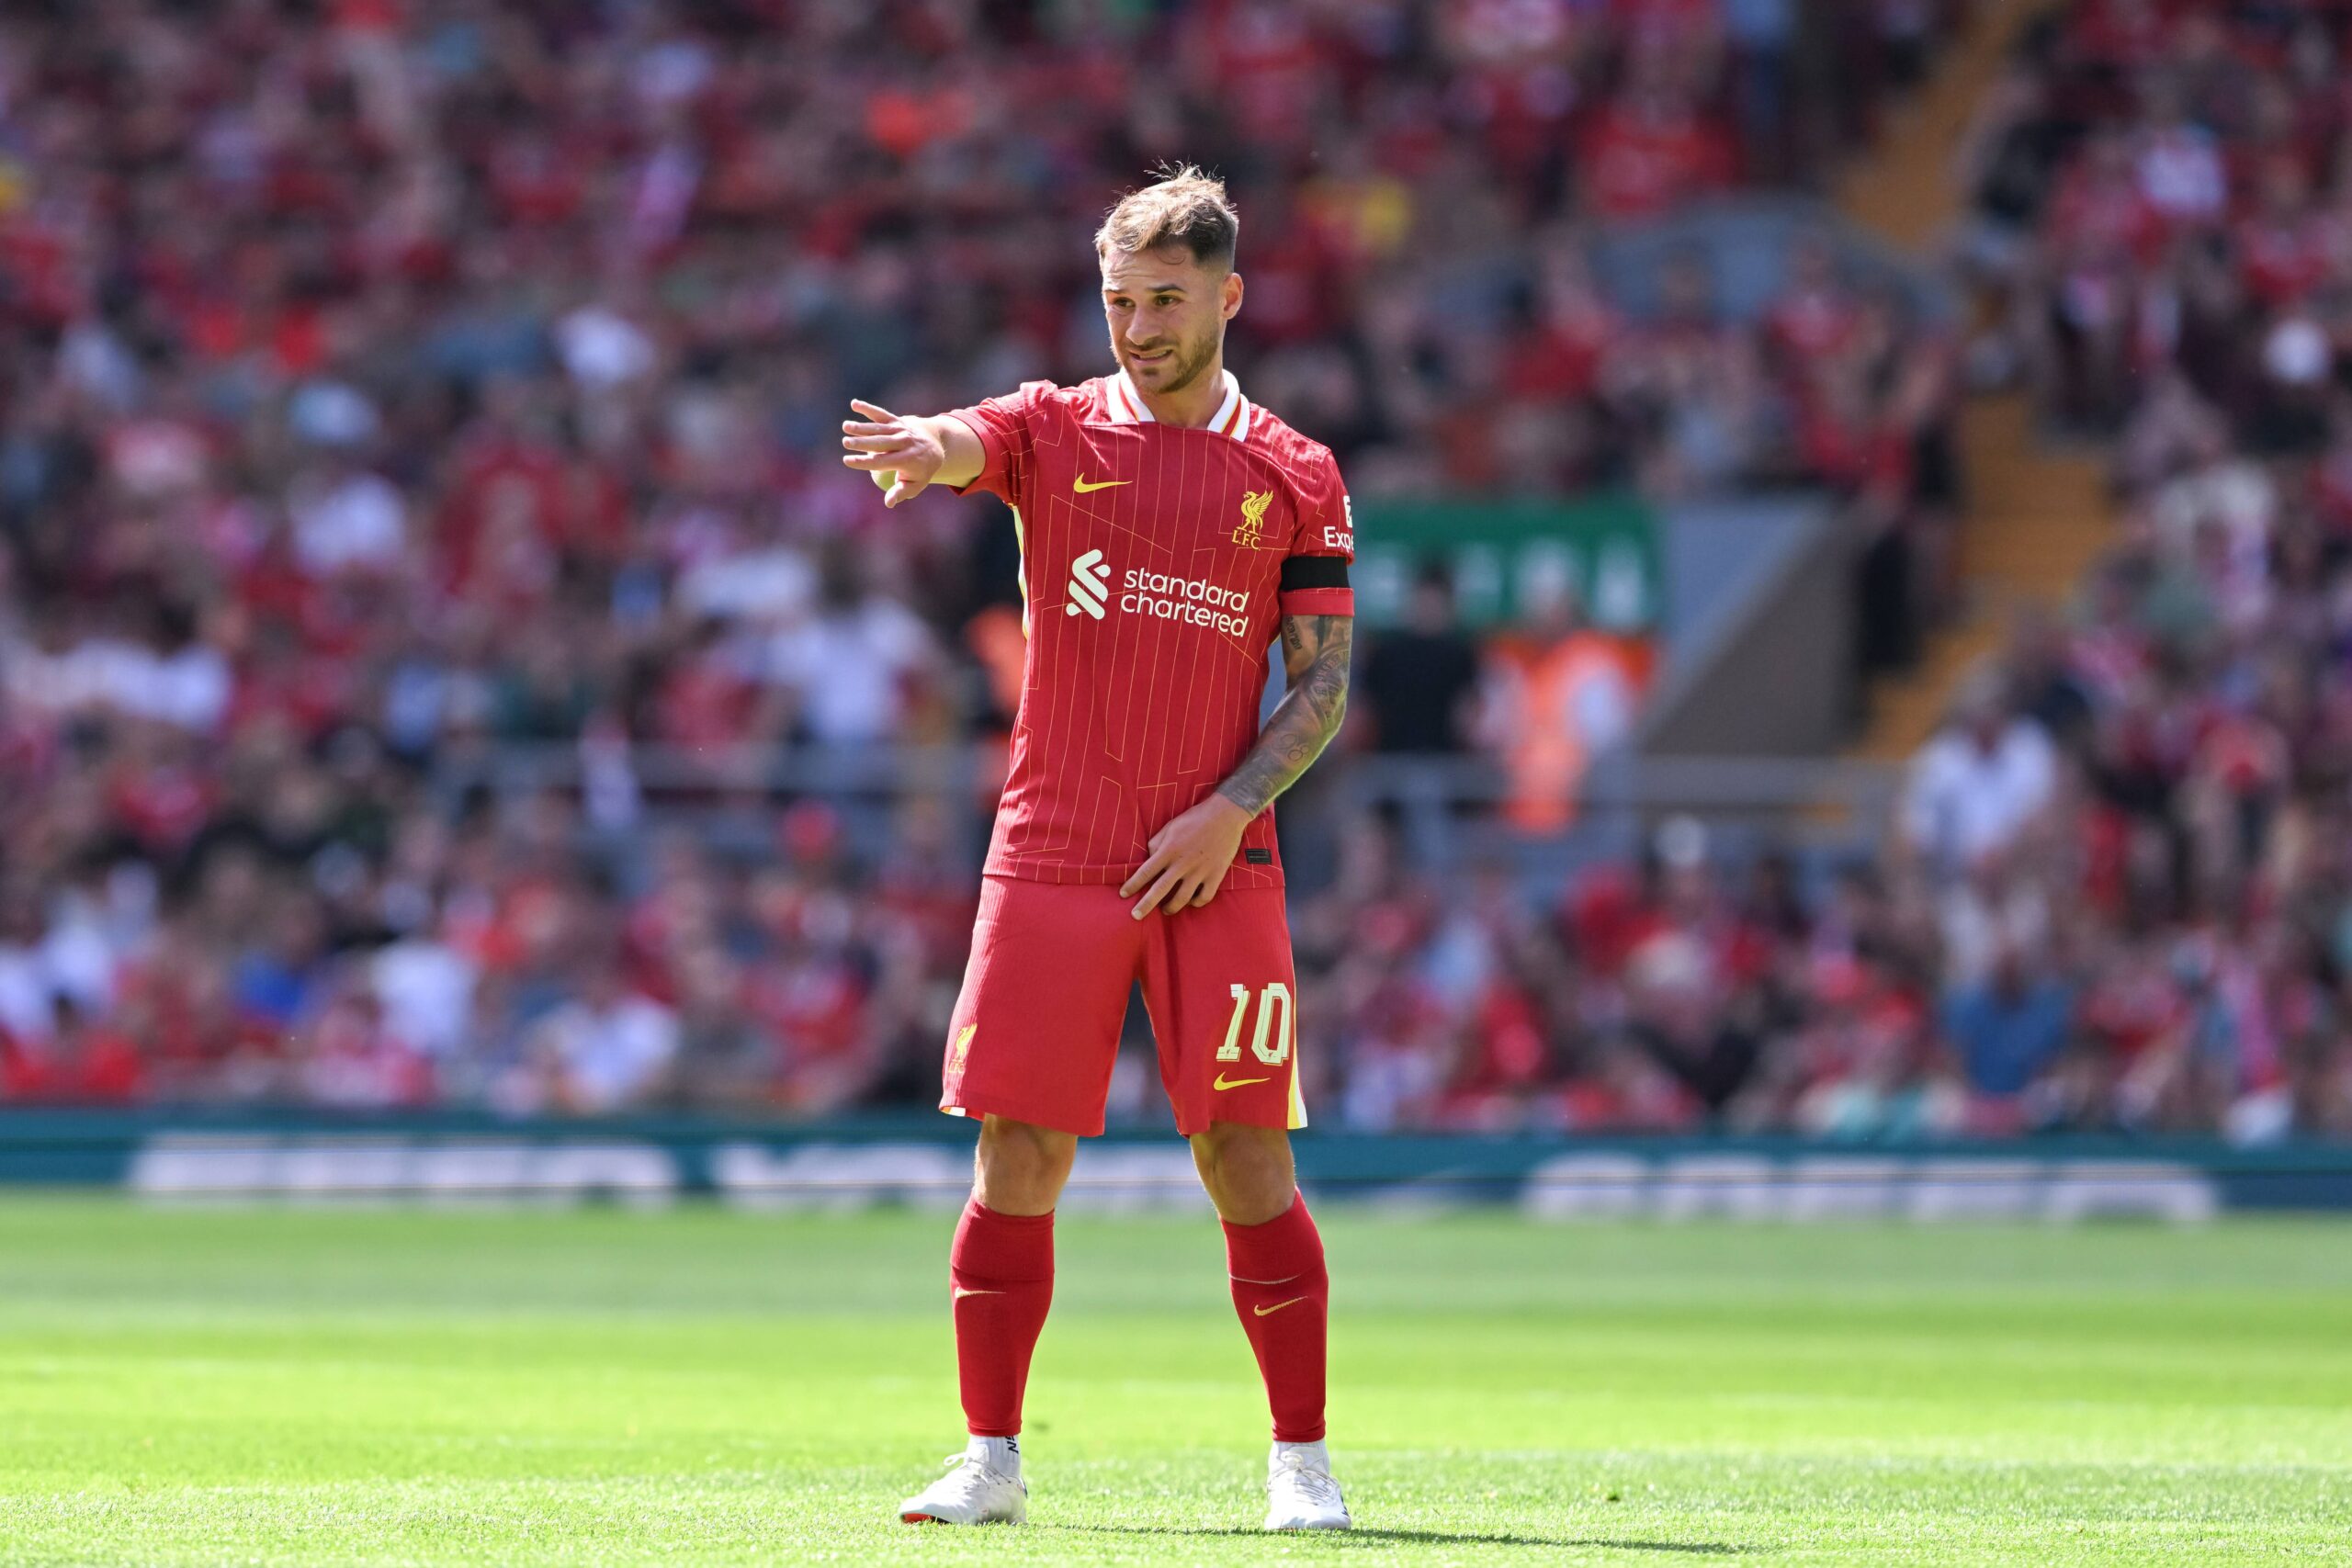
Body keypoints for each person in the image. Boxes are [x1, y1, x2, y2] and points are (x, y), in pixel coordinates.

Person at [839, 167, 1356, 1532]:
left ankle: (1301, 1460)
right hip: (1056, 845)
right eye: (1120, 299)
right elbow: (966, 438)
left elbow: (1323, 685)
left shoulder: (1296, 473)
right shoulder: (1056, 429)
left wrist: (1232, 809)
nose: (1138, 325)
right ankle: (989, 1458)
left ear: (1229, 299)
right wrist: (923, 446)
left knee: (1246, 1154)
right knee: (1018, 1153)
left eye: (1167, 300)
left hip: (1213, 856)